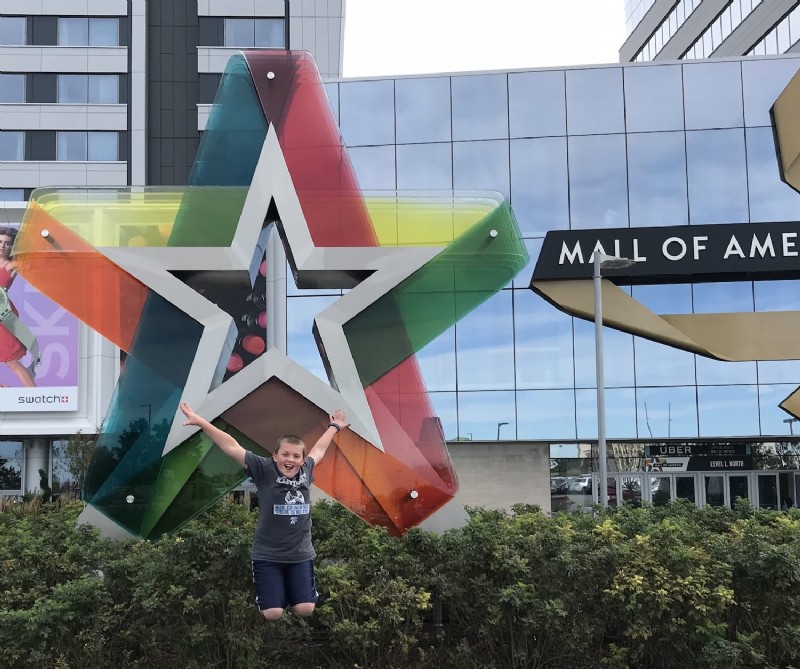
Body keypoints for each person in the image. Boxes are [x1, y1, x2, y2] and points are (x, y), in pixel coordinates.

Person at [179, 400, 349, 621]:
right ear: (275, 456)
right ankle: (274, 596)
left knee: (306, 608)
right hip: (268, 555)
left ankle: (292, 591)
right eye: (285, 455)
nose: (291, 459)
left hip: (299, 555)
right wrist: (201, 422)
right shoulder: (264, 469)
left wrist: (334, 427)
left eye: (296, 456)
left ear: (301, 459)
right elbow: (231, 446)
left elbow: (318, 449)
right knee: (272, 613)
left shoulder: (306, 470)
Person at [0, 226, 35, 387]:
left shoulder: (12, 265)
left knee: (11, 360)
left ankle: (35, 395)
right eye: (0, 242)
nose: (2, 246)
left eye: (7, 243)